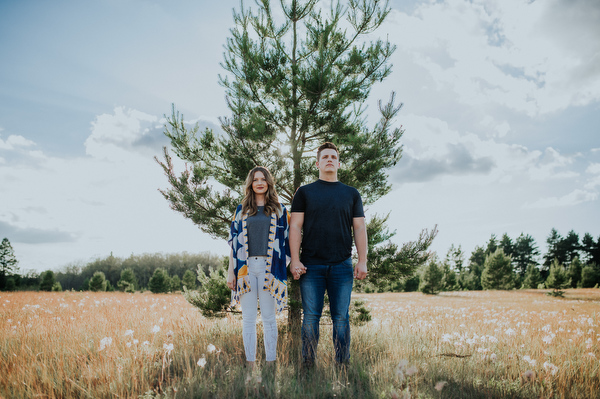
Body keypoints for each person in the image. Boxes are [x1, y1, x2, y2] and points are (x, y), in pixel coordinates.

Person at [289, 142, 368, 368]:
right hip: (311, 266)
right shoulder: (305, 192)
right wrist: (295, 259)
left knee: (341, 319)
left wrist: (362, 260)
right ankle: (308, 365)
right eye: (325, 157)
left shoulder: (351, 194)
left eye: (333, 156)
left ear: (339, 163)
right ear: (317, 164)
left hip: (342, 266)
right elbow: (295, 227)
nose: (330, 159)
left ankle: (342, 365)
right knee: (311, 318)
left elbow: (360, 228)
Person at [227, 166, 290, 370]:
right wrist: (231, 273)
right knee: (248, 319)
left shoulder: (280, 211)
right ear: (250, 184)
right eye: (255, 180)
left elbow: (288, 241)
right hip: (245, 269)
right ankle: (251, 366)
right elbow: (234, 245)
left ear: (269, 183)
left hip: (269, 269)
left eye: (263, 179)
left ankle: (271, 366)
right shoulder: (241, 210)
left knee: (270, 319)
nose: (260, 183)